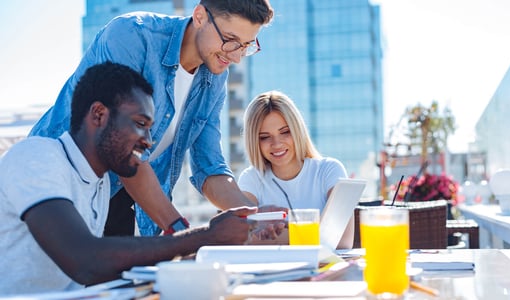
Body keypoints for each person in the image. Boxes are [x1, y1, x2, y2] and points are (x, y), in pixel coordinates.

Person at [0, 62, 257, 294]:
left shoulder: (98, 183)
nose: (148, 140)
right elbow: (85, 261)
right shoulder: (36, 156)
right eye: (139, 123)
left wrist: (190, 251)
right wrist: (205, 236)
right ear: (99, 115)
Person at [29, 0, 274, 236]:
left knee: (119, 278)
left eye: (246, 45)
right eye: (230, 41)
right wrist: (180, 231)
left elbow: (209, 167)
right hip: (55, 187)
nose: (236, 57)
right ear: (200, 16)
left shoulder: (214, 79)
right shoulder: (132, 35)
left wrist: (256, 216)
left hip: (117, 197)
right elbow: (121, 147)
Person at [238, 90, 354, 249]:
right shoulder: (251, 179)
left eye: (285, 132)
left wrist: (278, 236)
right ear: (254, 141)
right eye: (264, 137)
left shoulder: (330, 170)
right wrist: (315, 234)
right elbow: (243, 239)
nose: (276, 143)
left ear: (297, 130)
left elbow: (342, 241)